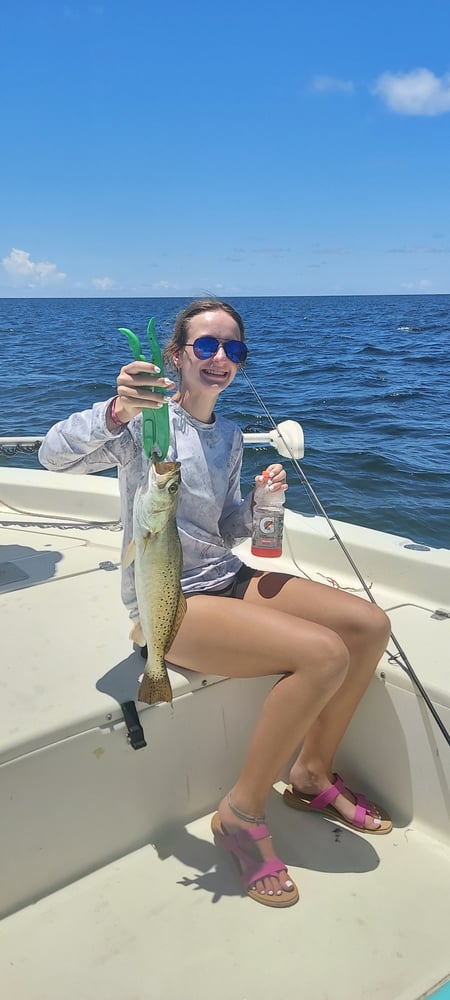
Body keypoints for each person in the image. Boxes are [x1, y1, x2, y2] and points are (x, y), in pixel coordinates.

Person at [39, 298, 392, 909]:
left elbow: (223, 526)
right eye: (205, 345)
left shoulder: (229, 435)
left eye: (233, 348)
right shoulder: (148, 424)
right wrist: (117, 410)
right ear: (175, 355)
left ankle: (310, 774)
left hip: (225, 576)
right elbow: (53, 455)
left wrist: (257, 506)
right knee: (323, 654)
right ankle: (240, 811)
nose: (220, 357)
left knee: (367, 624)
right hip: (170, 595)